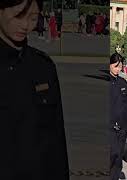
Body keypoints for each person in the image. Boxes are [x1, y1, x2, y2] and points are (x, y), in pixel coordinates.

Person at [0, 0, 69, 179]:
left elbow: (56, 143)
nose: (25, 25)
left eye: (32, 18)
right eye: (18, 15)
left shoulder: (43, 67)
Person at [106, 53, 127, 180]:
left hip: (122, 127)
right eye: (116, 66)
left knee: (119, 158)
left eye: (120, 66)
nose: (118, 69)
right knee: (112, 154)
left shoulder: (123, 83)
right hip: (108, 127)